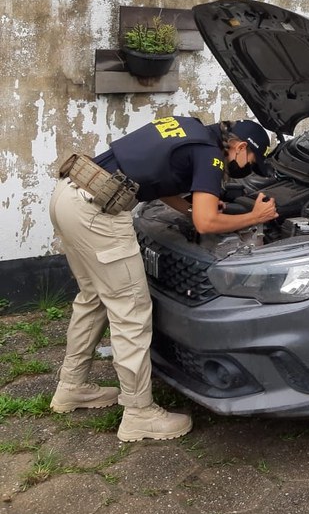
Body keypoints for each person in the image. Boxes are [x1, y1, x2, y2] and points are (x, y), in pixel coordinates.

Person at [48, 116, 278, 442]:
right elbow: (206, 222)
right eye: (251, 162)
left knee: (94, 297)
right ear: (240, 148)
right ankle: (139, 413)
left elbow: (159, 182)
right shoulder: (211, 155)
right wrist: (255, 216)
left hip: (70, 195)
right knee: (131, 310)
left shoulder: (191, 129)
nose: (247, 169)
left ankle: (72, 387)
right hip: (98, 212)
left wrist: (191, 204)